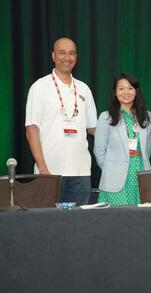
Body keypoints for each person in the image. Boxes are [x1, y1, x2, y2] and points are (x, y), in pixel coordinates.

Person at [25, 37, 97, 205]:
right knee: (48, 224)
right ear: (53, 56)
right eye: (62, 53)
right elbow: (31, 130)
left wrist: (119, 125)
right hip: (50, 172)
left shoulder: (84, 88)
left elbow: (93, 128)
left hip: (80, 172)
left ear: (76, 57)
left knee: (79, 225)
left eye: (71, 53)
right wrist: (43, 169)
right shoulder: (39, 87)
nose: (67, 57)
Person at [94, 73, 151, 206]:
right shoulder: (106, 117)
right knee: (116, 218)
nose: (126, 92)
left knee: (139, 218)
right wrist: (111, 169)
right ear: (115, 92)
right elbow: (99, 150)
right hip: (114, 177)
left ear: (136, 91)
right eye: (121, 88)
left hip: (140, 172)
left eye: (130, 88)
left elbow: (148, 147)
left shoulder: (146, 116)